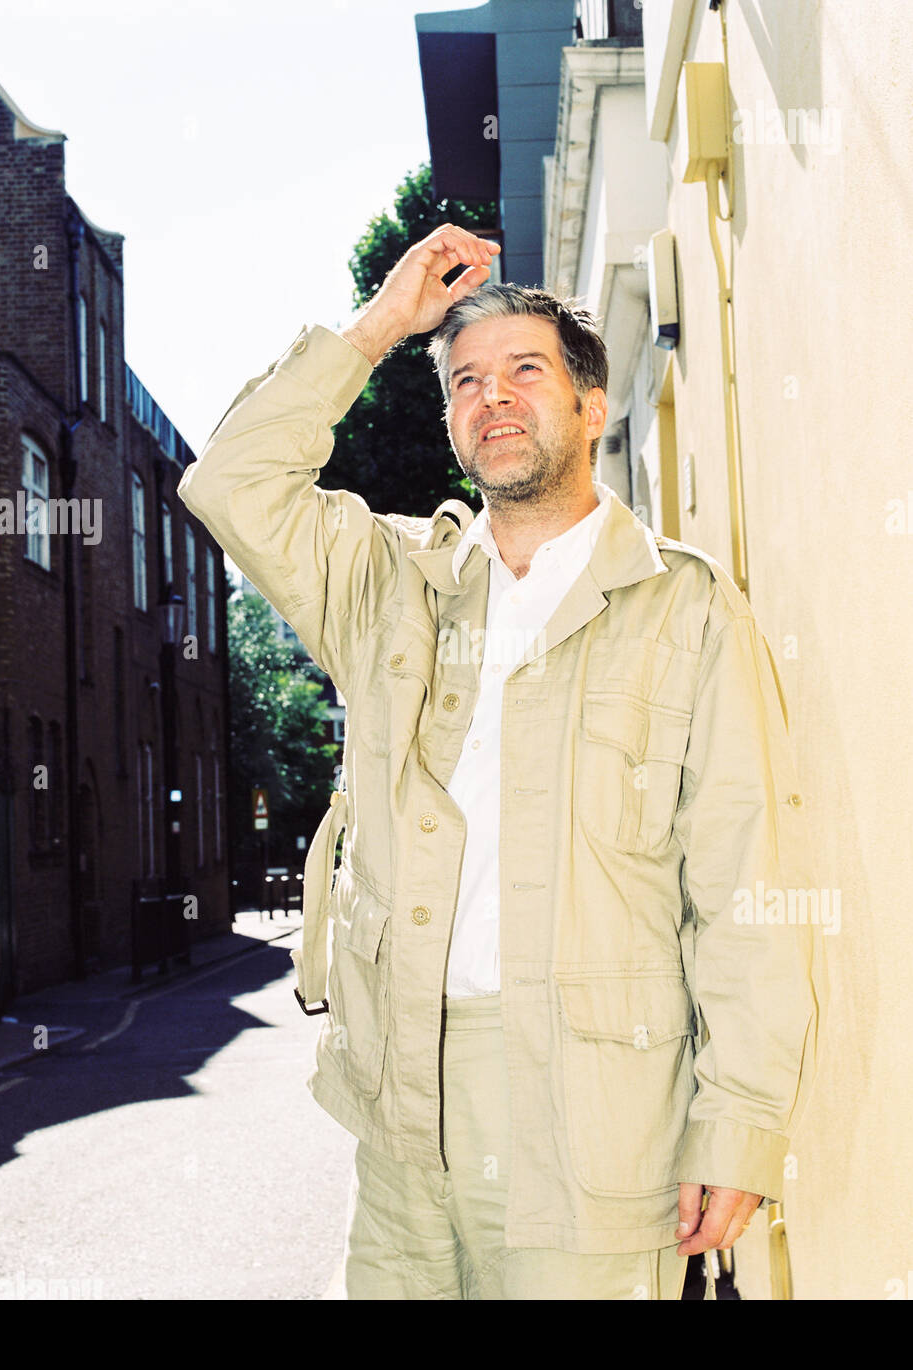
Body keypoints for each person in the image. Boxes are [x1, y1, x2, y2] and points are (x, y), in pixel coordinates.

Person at [178, 224, 826, 1300]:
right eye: (467, 379)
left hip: (597, 1134)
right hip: (404, 1124)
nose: (495, 396)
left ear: (590, 405)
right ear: (450, 423)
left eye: (527, 370)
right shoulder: (388, 585)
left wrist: (741, 1121)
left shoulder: (687, 611)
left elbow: (747, 876)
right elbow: (230, 483)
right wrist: (386, 324)